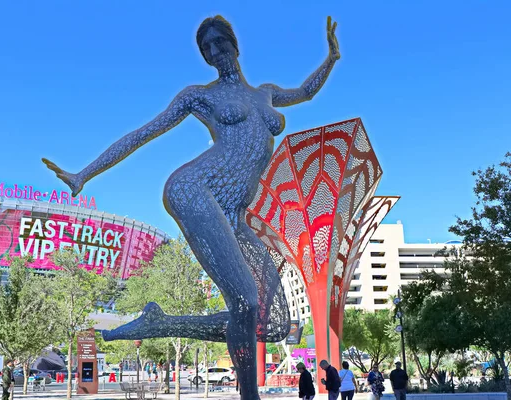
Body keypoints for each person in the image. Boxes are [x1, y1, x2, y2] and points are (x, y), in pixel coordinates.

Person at [43, 14, 340, 400]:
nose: (215, 51)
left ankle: (159, 323)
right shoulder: (200, 94)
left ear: (235, 44)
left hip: (236, 216)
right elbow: (144, 132)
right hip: (196, 189)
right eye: (207, 48)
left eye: (219, 42)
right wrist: (84, 174)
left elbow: (306, 92)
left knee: (275, 324)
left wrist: (331, 57)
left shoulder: (265, 92)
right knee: (246, 301)